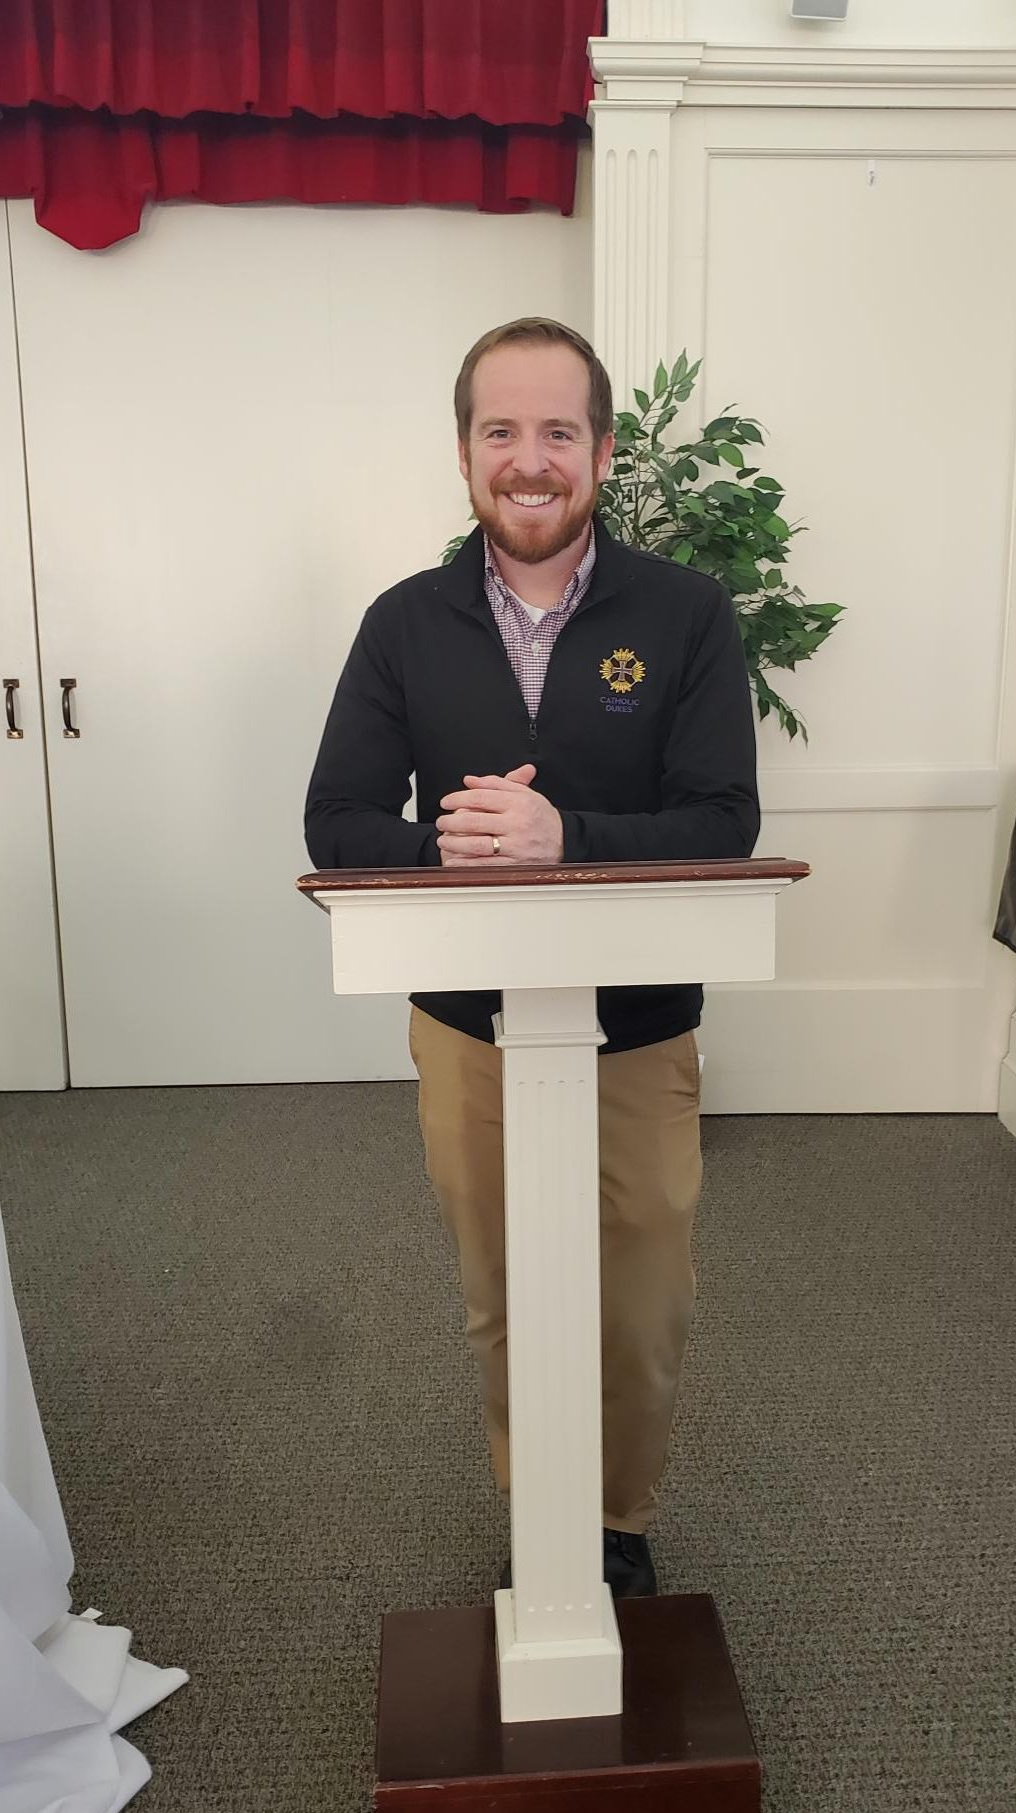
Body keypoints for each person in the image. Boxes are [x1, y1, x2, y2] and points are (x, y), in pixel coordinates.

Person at [305, 318, 759, 1598]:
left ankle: (613, 1518)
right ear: (464, 456)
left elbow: (725, 822)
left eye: (558, 431)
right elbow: (335, 823)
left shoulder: (687, 615)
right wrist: (448, 854)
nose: (529, 460)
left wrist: (563, 838)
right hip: (469, 1027)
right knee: (505, 1286)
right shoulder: (402, 624)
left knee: (640, 1295)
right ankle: (538, 1507)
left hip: (639, 1026)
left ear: (602, 453)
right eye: (500, 431)